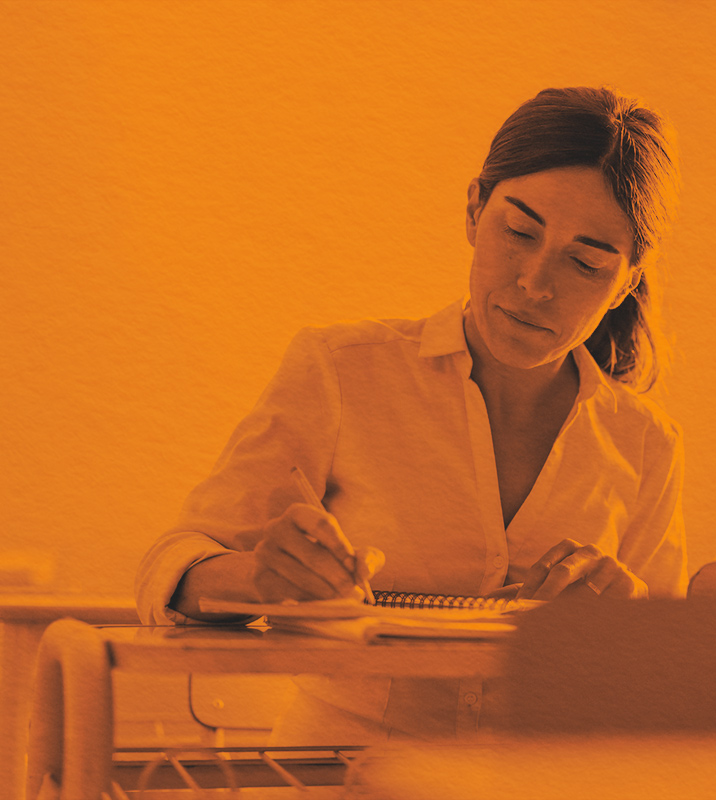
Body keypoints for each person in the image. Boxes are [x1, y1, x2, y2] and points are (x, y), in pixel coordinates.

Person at [135, 86, 685, 741]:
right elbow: (171, 563)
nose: (536, 283)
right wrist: (258, 578)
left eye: (585, 263)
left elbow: (663, 699)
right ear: (474, 209)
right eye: (519, 232)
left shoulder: (646, 444)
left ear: (626, 281)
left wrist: (620, 636)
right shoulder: (342, 371)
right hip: (333, 778)